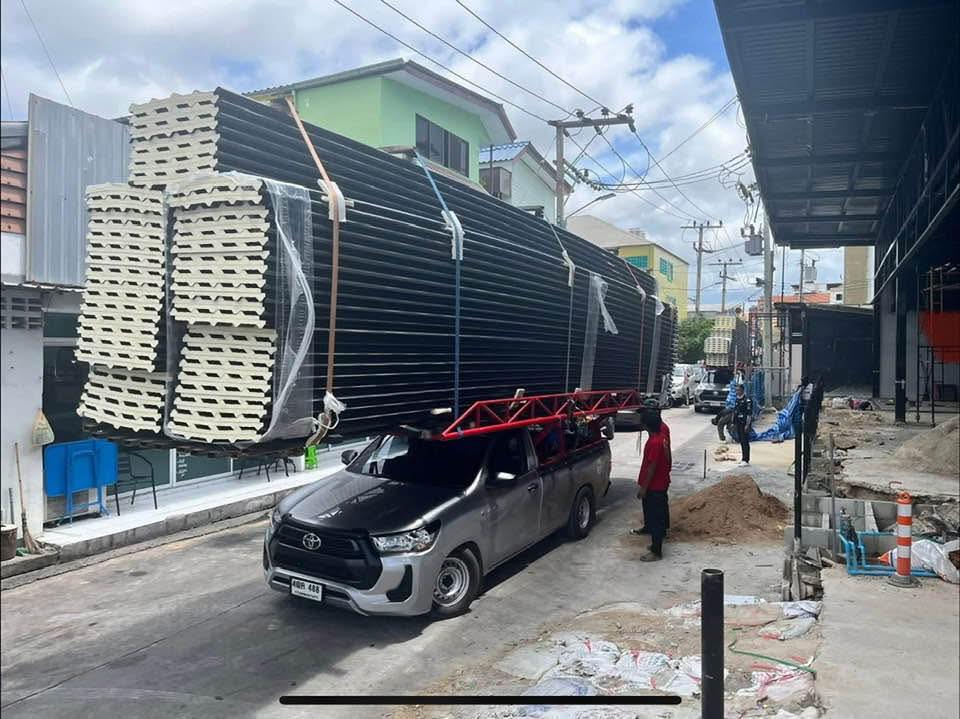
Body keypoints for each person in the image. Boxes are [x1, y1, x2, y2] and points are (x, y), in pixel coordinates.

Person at [630, 409, 671, 561]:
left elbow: (652, 467)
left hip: (655, 486)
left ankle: (656, 551)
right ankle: (656, 544)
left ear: (646, 425)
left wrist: (644, 488)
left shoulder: (654, 443)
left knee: (655, 518)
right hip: (660, 483)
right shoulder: (662, 438)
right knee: (657, 516)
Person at [733, 383, 754, 466]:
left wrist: (747, 425)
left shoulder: (747, 400)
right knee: (741, 441)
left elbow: (749, 414)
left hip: (744, 423)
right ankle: (743, 458)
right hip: (738, 422)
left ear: (742, 390)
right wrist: (733, 422)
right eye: (736, 390)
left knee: (745, 441)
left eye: (738, 390)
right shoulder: (737, 399)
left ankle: (746, 459)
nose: (736, 392)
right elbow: (735, 411)